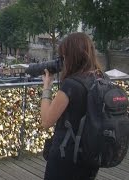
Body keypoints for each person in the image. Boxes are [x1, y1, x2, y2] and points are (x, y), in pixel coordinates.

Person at [40, 32, 101, 180]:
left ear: (71, 56)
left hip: (66, 156)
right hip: (90, 154)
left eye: (64, 56)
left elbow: (46, 121)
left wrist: (46, 87)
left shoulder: (71, 85)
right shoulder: (100, 78)